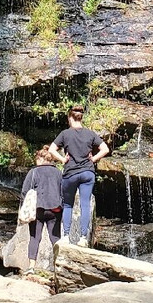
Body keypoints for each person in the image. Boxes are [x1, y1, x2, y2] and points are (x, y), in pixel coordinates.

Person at [48, 105, 109, 246]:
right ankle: (82, 238)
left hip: (71, 173)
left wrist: (63, 159)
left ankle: (66, 236)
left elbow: (51, 149)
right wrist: (93, 159)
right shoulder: (90, 134)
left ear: (70, 117)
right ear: (81, 118)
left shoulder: (65, 134)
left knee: (68, 205)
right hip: (87, 172)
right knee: (85, 205)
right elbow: (105, 149)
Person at [20, 147, 63, 274]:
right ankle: (59, 267)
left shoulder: (33, 172)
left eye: (36, 159)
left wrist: (24, 207)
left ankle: (31, 267)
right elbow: (64, 191)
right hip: (55, 209)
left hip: (37, 209)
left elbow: (24, 191)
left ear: (40, 158)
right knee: (55, 238)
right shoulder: (58, 173)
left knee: (34, 237)